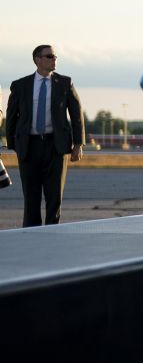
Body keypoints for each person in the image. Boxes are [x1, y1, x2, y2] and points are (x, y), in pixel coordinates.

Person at [4, 45, 85, 227]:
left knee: (54, 196)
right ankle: (31, 235)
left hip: (55, 147)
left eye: (55, 56)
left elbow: (76, 114)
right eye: (49, 56)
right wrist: (13, 143)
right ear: (37, 60)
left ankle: (51, 234)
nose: (54, 59)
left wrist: (78, 144)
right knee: (31, 197)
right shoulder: (21, 85)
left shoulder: (65, 83)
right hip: (29, 146)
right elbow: (11, 116)